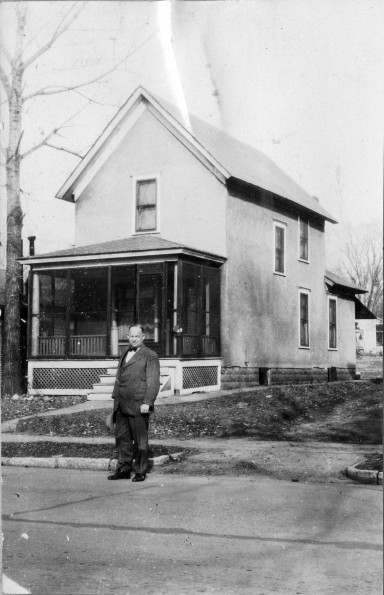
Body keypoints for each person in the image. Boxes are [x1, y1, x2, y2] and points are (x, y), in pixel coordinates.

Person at [108, 324, 160, 482]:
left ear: (143, 337)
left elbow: (153, 382)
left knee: (140, 441)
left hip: (139, 405)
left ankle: (140, 470)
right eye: (131, 336)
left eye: (137, 336)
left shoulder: (150, 355)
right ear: (128, 337)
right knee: (122, 439)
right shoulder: (124, 353)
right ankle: (124, 469)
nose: (134, 339)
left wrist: (148, 402)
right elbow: (118, 378)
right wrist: (115, 398)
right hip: (122, 404)